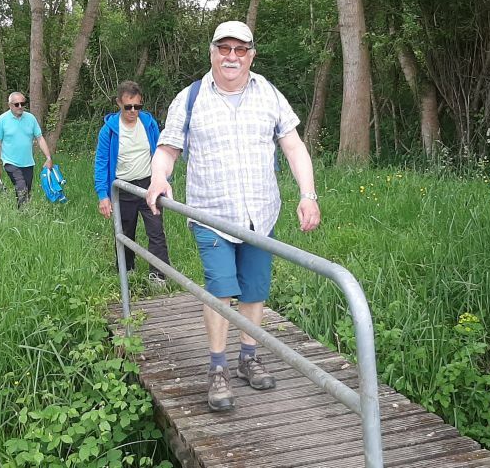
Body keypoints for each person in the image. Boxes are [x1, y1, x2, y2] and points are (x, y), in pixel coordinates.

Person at [145, 21, 321, 412]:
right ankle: (217, 367)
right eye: (224, 48)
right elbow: (168, 150)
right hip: (211, 215)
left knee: (255, 289)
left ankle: (248, 357)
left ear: (251, 55)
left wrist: (308, 195)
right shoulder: (190, 98)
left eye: (240, 49)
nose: (232, 57)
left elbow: (293, 146)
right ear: (212, 52)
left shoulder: (269, 94)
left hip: (261, 214)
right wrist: (158, 178)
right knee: (221, 287)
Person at [94, 81, 170, 287]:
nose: (133, 111)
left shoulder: (149, 124)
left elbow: (161, 152)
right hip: (123, 188)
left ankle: (159, 276)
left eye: (138, 106)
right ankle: (127, 272)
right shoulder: (109, 131)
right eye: (128, 107)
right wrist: (103, 195)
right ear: (119, 103)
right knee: (125, 233)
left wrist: (163, 179)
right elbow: (101, 163)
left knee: (156, 231)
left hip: (149, 187)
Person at [0, 92, 54, 208]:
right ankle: (24, 213)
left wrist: (48, 158)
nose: (20, 106)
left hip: (28, 162)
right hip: (10, 162)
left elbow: (40, 138)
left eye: (22, 103)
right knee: (21, 187)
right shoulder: (2, 120)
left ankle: (21, 212)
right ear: (10, 105)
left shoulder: (31, 118)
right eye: (16, 104)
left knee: (26, 191)